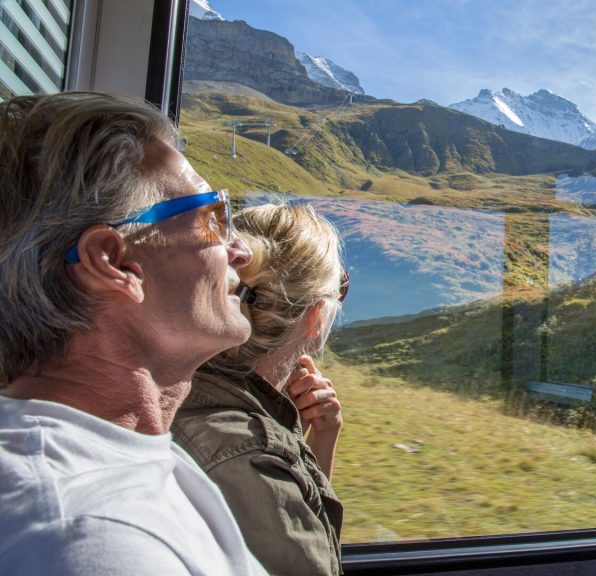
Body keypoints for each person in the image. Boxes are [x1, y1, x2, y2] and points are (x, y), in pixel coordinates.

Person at [0, 92, 266, 574]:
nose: (241, 251)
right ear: (115, 263)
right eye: (213, 217)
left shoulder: (132, 450)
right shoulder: (89, 538)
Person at [172, 203, 347, 576]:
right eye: (339, 291)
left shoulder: (177, 388)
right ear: (315, 317)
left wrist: (319, 438)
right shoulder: (251, 455)